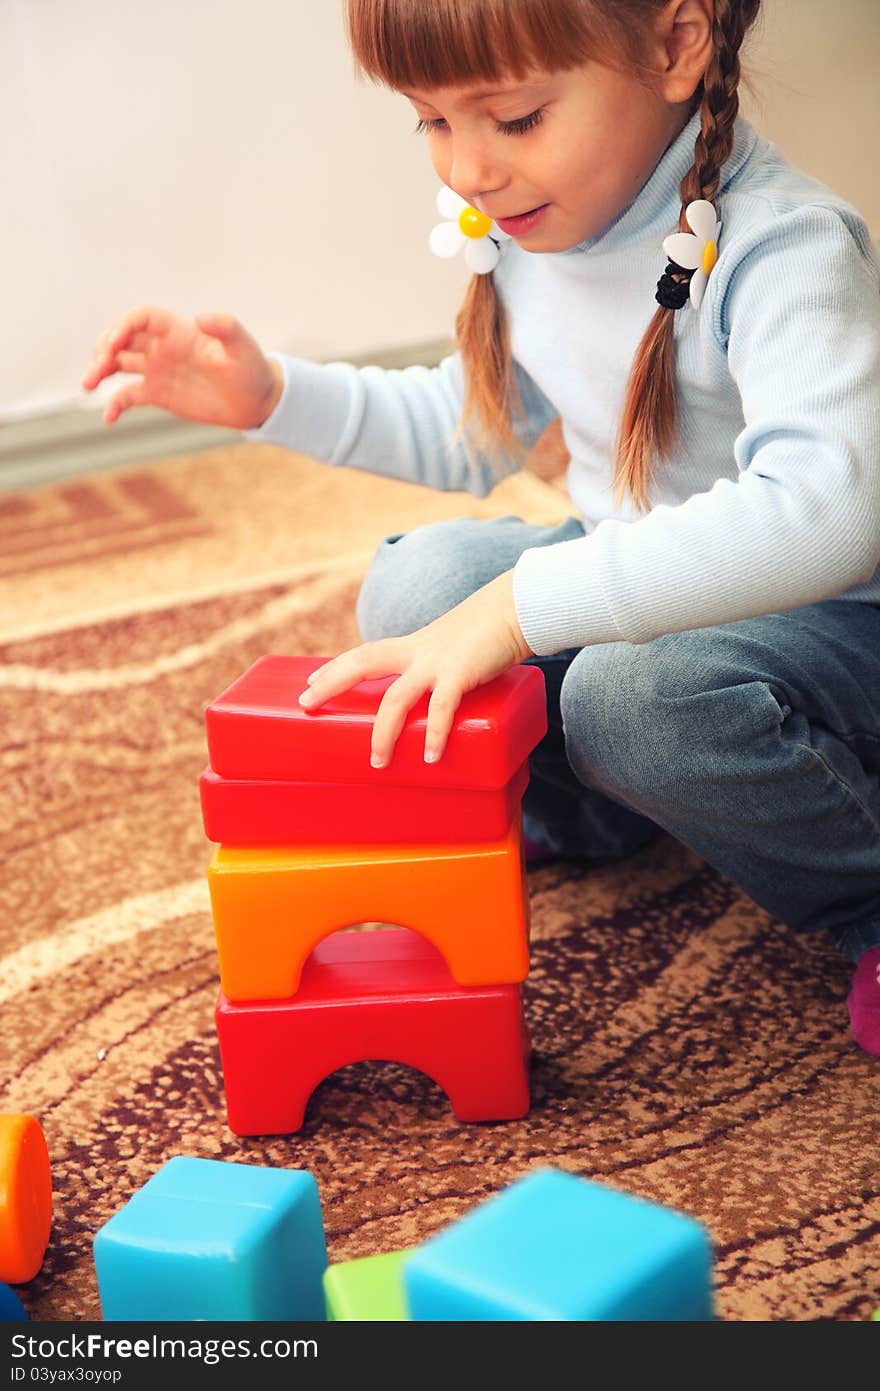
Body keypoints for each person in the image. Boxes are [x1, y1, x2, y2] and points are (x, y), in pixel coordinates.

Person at [80, 0, 880, 1057]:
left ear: (675, 46)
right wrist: (270, 395)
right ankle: (602, 810)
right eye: (431, 122)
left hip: (829, 625)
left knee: (628, 695)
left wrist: (517, 610)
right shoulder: (540, 227)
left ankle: (860, 899)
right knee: (419, 590)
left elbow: (823, 517)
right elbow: (475, 429)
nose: (465, 169)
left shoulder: (784, 248)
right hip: (660, 608)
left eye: (511, 119)